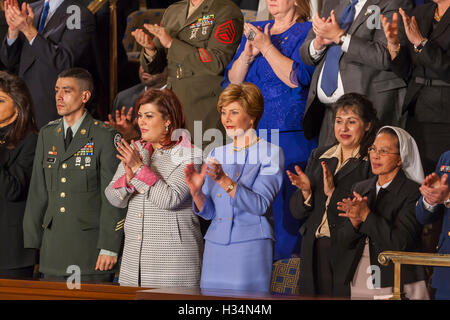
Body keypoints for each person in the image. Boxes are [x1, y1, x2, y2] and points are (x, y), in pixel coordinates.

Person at [222, 0, 316, 260]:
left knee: (286, 216)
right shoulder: (258, 27)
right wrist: (247, 55)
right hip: (251, 136)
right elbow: (234, 81)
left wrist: (266, 46)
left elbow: (297, 78)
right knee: (248, 209)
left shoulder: (308, 30)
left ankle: (284, 284)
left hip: (291, 137)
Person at [23, 68, 126, 282]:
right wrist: (33, 243)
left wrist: (109, 246)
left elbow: (115, 196)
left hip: (90, 250)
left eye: (67, 91)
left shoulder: (104, 136)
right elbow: (38, 193)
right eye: (56, 90)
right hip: (53, 249)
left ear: (85, 96)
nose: (59, 97)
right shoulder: (47, 133)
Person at [184, 83, 284, 292]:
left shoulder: (271, 152)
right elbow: (210, 212)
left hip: (251, 245)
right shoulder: (216, 153)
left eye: (234, 112)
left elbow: (260, 205)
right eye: (223, 112)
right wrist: (196, 193)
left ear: (252, 115)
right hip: (215, 246)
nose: (226, 119)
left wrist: (223, 180)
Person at [105, 88, 204, 288]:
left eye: (149, 116)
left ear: (168, 120)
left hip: (174, 265)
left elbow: (170, 198)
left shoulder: (190, 154)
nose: (141, 121)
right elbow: (113, 197)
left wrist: (138, 169)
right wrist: (129, 180)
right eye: (140, 115)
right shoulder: (135, 149)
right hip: (133, 266)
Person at [288, 93, 379, 296]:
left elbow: (367, 207)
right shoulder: (320, 155)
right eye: (338, 121)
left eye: (351, 121)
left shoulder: (372, 161)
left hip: (348, 251)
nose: (343, 128)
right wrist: (306, 192)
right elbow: (296, 212)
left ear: (367, 125)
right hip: (313, 246)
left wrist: (333, 192)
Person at [299, 0, 412, 148]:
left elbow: (386, 56)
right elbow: (306, 53)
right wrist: (318, 44)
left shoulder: (392, 3)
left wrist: (341, 37)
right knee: (326, 167)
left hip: (368, 112)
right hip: (329, 113)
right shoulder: (332, 3)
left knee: (364, 168)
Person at [132, 0, 244, 149]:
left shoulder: (225, 10)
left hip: (203, 108)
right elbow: (155, 68)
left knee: (201, 166)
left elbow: (217, 62)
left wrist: (172, 44)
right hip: (172, 107)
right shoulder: (174, 10)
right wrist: (150, 49)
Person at [337, 126, 428, 299]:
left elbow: (401, 243)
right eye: (373, 149)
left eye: (384, 151)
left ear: (400, 159)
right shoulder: (360, 188)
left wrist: (366, 216)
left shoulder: (412, 192)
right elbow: (342, 241)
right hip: (361, 276)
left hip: (399, 279)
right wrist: (354, 224)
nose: (375, 156)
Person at [0, 0, 96, 128]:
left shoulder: (76, 12)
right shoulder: (32, 8)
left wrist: (28, 30)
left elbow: (63, 62)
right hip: (23, 108)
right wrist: (13, 30)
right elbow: (9, 62)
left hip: (52, 109)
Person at [380, 1, 450, 175]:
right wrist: (394, 46)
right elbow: (409, 70)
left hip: (443, 116)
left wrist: (421, 43)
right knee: (414, 178)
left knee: (438, 181)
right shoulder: (420, 12)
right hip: (415, 110)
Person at [0, 71, 38, 278]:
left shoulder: (31, 141)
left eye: (0, 100)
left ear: (18, 105)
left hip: (10, 252)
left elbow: (13, 190)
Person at [415, 150, 450, 300]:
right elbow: (423, 218)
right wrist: (430, 199)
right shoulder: (447, 157)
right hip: (446, 273)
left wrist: (448, 198)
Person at [106, 66, 168, 142]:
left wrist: (135, 138)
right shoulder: (123, 97)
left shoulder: (181, 100)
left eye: (152, 63)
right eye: (142, 63)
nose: (145, 68)